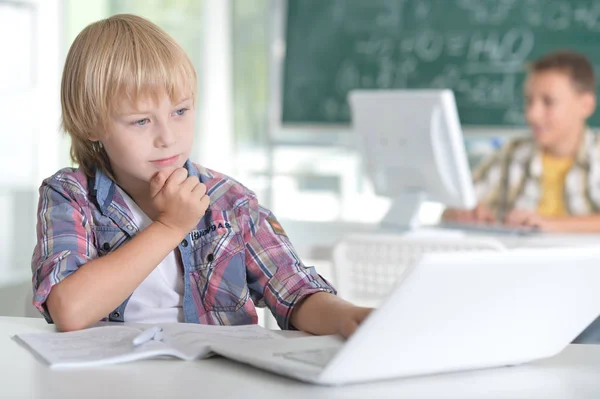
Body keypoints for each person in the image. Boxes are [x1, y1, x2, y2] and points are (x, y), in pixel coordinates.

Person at [31, 14, 371, 334]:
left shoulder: (229, 200)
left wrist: (349, 318)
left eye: (180, 111)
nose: (168, 137)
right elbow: (69, 310)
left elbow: (294, 291)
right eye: (141, 121)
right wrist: (170, 226)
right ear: (92, 124)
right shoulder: (69, 195)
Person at [444, 50, 600, 233]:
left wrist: (549, 225)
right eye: (528, 101)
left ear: (586, 105)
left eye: (548, 102)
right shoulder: (511, 153)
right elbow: (452, 209)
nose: (532, 115)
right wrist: (461, 213)